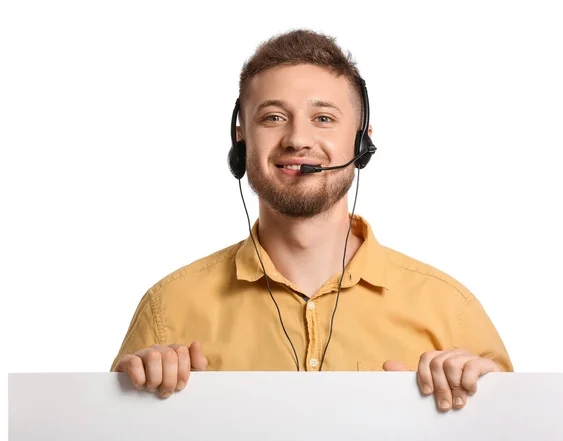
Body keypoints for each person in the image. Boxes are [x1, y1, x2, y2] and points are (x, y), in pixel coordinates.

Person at [111, 29, 513, 413]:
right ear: (241, 138)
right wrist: (135, 403)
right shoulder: (169, 309)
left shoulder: (449, 309)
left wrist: (493, 400)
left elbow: (519, 426)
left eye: (323, 118)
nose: (297, 139)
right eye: (272, 117)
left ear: (361, 141)